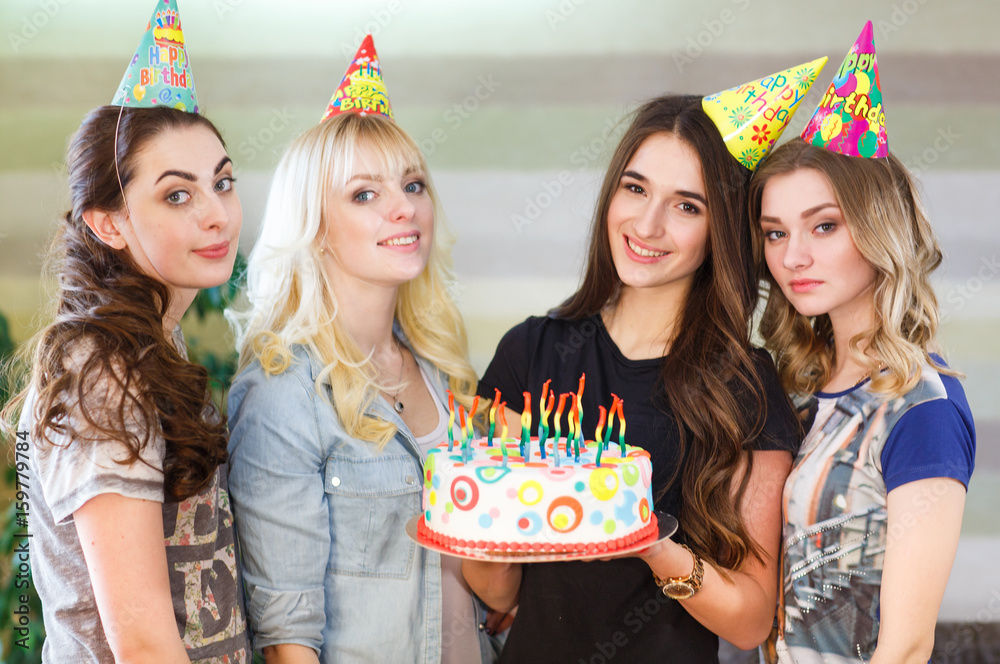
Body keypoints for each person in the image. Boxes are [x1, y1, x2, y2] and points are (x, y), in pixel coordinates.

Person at [463, 91, 809, 662]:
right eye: (636, 188)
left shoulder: (745, 387)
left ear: (719, 230)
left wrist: (649, 542)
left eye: (687, 206)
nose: (647, 224)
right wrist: (469, 519)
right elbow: (501, 588)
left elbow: (750, 621)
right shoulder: (530, 352)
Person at [226, 36, 494, 664]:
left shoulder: (443, 372)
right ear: (314, 229)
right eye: (366, 195)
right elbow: (289, 636)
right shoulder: (281, 392)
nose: (404, 209)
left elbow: (486, 589)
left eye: (414, 185)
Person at [2, 3, 249, 661]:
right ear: (108, 223)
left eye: (221, 183)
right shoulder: (100, 373)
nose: (217, 214)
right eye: (177, 194)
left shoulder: (151, 346)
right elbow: (141, 642)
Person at [751, 22, 975, 664]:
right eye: (774, 232)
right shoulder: (804, 388)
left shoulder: (920, 407)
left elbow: (905, 645)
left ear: (879, 228)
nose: (793, 256)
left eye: (823, 226)